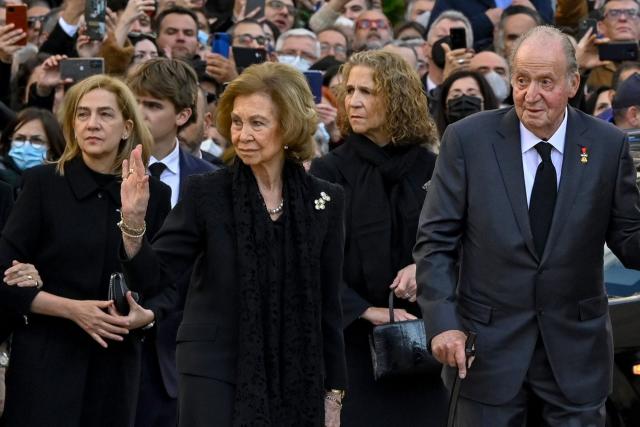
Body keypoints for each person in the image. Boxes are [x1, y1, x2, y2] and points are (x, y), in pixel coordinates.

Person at [414, 25, 640, 426]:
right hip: (484, 356)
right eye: (521, 80)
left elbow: (628, 238)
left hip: (575, 355)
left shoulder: (607, 145)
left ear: (573, 83)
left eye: (545, 82)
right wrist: (443, 325)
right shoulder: (468, 141)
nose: (530, 95)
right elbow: (435, 243)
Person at [119, 61, 347, 426]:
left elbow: (328, 307)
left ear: (288, 126)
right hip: (213, 370)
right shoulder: (207, 192)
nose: (242, 135)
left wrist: (333, 395)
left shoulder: (325, 201)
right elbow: (155, 276)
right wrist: (133, 223)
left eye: (257, 123)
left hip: (296, 373)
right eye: (237, 122)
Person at [0, 75, 171, 427]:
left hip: (116, 364)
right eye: (82, 114)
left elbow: (164, 286)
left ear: (126, 128)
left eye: (105, 114)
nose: (92, 124)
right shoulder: (42, 184)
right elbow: (5, 275)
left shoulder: (151, 194)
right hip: (45, 360)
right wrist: (71, 309)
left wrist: (147, 314)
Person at [309, 50, 447, 427]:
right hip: (352, 343)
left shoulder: (433, 168)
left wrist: (424, 267)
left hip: (426, 341)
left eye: (367, 92)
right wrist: (365, 310)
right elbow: (311, 259)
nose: (353, 101)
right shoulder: (328, 171)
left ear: (397, 98)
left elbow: (462, 242)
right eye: (349, 90)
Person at [126, 57, 215, 427]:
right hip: (112, 340)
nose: (141, 113)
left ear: (182, 115)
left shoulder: (211, 180)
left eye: (153, 105)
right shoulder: (103, 168)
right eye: (136, 102)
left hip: (182, 356)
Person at [0, 108, 66, 194]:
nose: (26, 145)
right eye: (20, 138)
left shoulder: (63, 186)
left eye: (36, 140)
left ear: (53, 148)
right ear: (10, 141)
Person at [433, 70, 499, 137]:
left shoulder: (500, 140)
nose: (464, 99)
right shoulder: (432, 144)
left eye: (472, 94)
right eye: (456, 95)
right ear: (444, 106)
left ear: (485, 101)